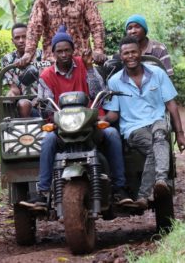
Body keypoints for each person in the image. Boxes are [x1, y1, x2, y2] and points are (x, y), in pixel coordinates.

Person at [20, 26, 132, 208]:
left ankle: (119, 188)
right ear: (53, 53)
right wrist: (44, 107)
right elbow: (44, 104)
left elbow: (99, 91)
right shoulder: (46, 75)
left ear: (73, 50)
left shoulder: (84, 64)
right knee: (48, 140)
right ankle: (42, 191)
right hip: (62, 127)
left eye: (67, 50)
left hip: (91, 124)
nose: (64, 54)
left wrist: (89, 68)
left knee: (111, 135)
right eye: (60, 51)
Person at [103, 36, 185, 209]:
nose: (130, 56)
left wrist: (180, 134)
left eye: (133, 52)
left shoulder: (157, 73)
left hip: (157, 120)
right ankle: (155, 185)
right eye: (126, 53)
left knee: (160, 133)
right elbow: (114, 113)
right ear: (121, 56)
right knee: (154, 146)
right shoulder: (114, 81)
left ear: (140, 53)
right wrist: (98, 121)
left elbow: (171, 104)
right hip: (133, 128)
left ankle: (151, 190)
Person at [17, 0, 106, 67]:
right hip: (52, 61)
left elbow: (96, 25)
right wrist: (28, 53)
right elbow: (34, 27)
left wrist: (98, 50)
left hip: (80, 59)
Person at [1, 23, 52, 117]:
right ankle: (26, 131)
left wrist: (38, 99)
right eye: (17, 38)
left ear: (30, 38)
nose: (21, 41)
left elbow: (48, 83)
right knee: (21, 104)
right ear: (12, 41)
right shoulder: (7, 59)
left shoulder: (42, 55)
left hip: (45, 101)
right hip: (23, 105)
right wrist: (9, 97)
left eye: (24, 37)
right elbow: (14, 89)